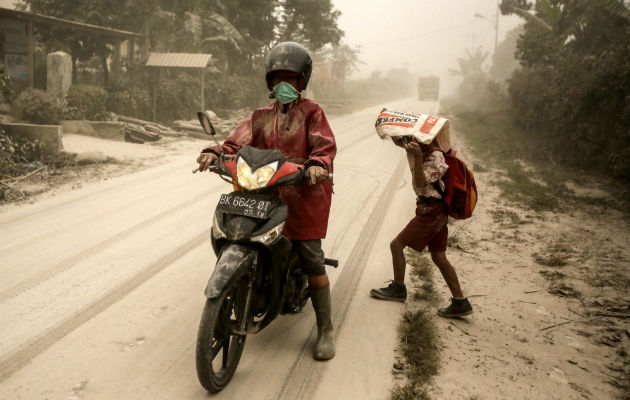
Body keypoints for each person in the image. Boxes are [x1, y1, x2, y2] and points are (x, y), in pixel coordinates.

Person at [196, 42, 337, 360]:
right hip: (263, 192)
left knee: (311, 257)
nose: (283, 85)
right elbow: (235, 141)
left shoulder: (313, 113)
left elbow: (324, 145)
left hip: (303, 194)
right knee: (236, 232)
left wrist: (317, 165)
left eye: (291, 78)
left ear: (303, 81)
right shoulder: (259, 117)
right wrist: (214, 152)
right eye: (277, 79)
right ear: (269, 83)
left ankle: (326, 329)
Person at [369, 135, 473, 318]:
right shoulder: (423, 149)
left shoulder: (436, 159)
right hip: (433, 210)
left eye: (418, 137)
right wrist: (393, 133)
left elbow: (420, 183)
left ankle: (398, 289)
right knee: (439, 257)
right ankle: (460, 302)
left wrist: (417, 157)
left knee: (396, 245)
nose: (413, 140)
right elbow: (402, 143)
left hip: (432, 211)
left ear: (429, 139)